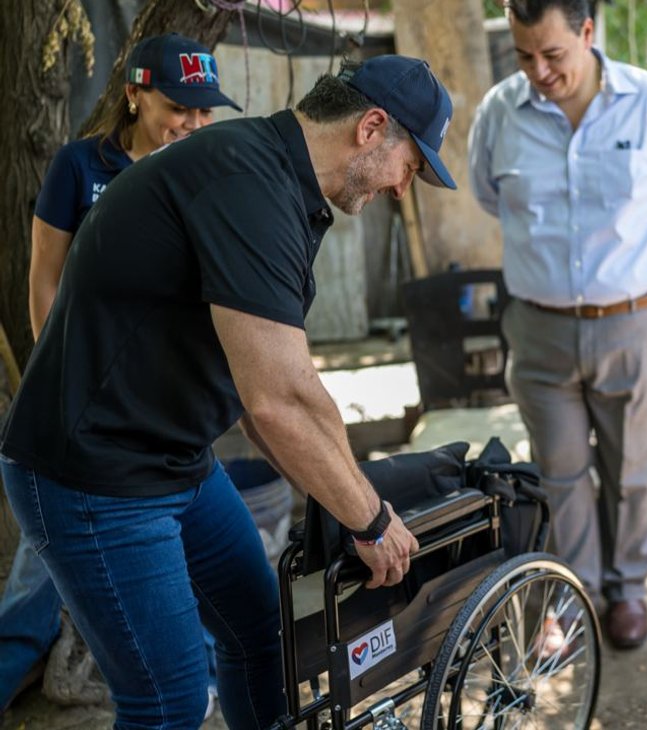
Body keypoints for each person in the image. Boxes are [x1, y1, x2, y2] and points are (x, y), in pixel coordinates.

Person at [0, 54, 455, 729]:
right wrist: (369, 520)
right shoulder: (248, 183)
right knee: (169, 702)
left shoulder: (280, 181)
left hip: (173, 458)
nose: (400, 188)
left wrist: (354, 498)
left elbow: (286, 389)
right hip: (95, 475)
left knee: (259, 632)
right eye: (409, 166)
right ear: (371, 128)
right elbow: (276, 401)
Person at [0, 33, 241, 719]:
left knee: (179, 556)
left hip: (167, 416)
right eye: (178, 107)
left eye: (204, 109)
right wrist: (62, 383)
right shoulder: (80, 167)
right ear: (134, 94)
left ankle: (199, 676)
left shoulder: (209, 171)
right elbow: (45, 282)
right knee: (37, 574)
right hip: (82, 421)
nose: (192, 122)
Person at [467, 0, 647, 649]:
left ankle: (627, 589)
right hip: (540, 329)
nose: (539, 72)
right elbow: (489, 195)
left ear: (588, 33)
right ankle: (578, 596)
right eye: (524, 56)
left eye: (553, 54)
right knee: (560, 471)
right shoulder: (499, 114)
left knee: (633, 470)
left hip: (637, 325)